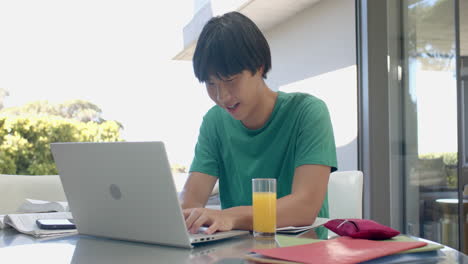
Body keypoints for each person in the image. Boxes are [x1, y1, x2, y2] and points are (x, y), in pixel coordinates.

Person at [180, 11, 337, 236]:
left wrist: (229, 216)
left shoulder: (307, 112)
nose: (222, 96)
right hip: (236, 253)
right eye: (211, 84)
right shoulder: (214, 121)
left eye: (230, 80)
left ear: (260, 66)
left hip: (301, 251)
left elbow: (305, 208)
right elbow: (190, 204)